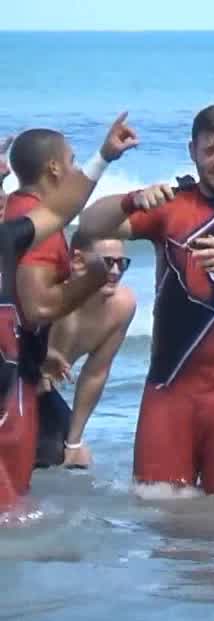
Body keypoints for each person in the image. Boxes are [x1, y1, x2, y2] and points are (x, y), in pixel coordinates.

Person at [77, 103, 214, 496]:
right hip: (169, 390)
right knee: (156, 509)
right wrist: (132, 198)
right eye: (210, 150)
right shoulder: (170, 204)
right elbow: (88, 226)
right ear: (192, 152)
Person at [1, 114, 138, 509]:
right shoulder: (21, 228)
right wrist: (92, 278)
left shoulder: (13, 227)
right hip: (12, 389)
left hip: (21, 373)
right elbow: (38, 307)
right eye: (72, 160)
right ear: (54, 167)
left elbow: (60, 212)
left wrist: (104, 156)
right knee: (13, 508)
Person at [37, 232, 137, 468]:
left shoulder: (121, 306)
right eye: (107, 263)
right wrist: (40, 358)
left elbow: (95, 373)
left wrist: (74, 442)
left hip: (42, 391)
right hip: (14, 382)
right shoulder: (47, 292)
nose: (115, 272)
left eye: (121, 263)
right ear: (78, 261)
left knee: (75, 459)